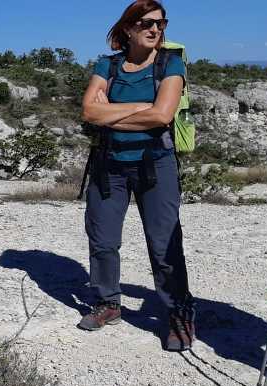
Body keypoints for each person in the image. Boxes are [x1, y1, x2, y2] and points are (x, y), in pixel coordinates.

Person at [79, 0, 195, 351]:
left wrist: (109, 112)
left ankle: (178, 312)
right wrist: (138, 107)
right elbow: (87, 111)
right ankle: (107, 303)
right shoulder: (108, 64)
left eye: (161, 23)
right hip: (109, 163)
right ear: (128, 28)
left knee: (164, 245)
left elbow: (161, 117)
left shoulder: (171, 65)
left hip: (155, 163)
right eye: (146, 23)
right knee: (102, 240)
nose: (155, 29)